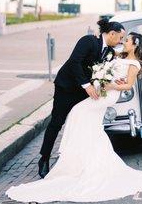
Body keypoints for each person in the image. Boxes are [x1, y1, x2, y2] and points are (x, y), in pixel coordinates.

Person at [6, 32, 142, 203]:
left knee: (79, 112)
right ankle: (82, 158)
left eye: (127, 40)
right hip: (102, 90)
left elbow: (129, 84)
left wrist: (109, 85)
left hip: (109, 93)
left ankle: (84, 158)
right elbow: (104, 55)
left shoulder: (134, 63)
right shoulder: (118, 54)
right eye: (122, 38)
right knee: (86, 120)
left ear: (135, 45)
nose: (123, 42)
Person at [37, 18, 125, 178]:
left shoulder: (110, 52)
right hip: (67, 88)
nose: (121, 41)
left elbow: (104, 72)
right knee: (57, 123)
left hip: (85, 92)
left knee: (83, 120)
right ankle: (44, 158)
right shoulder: (88, 41)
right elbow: (74, 62)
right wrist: (87, 85)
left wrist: (113, 81)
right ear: (112, 33)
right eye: (120, 37)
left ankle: (78, 159)